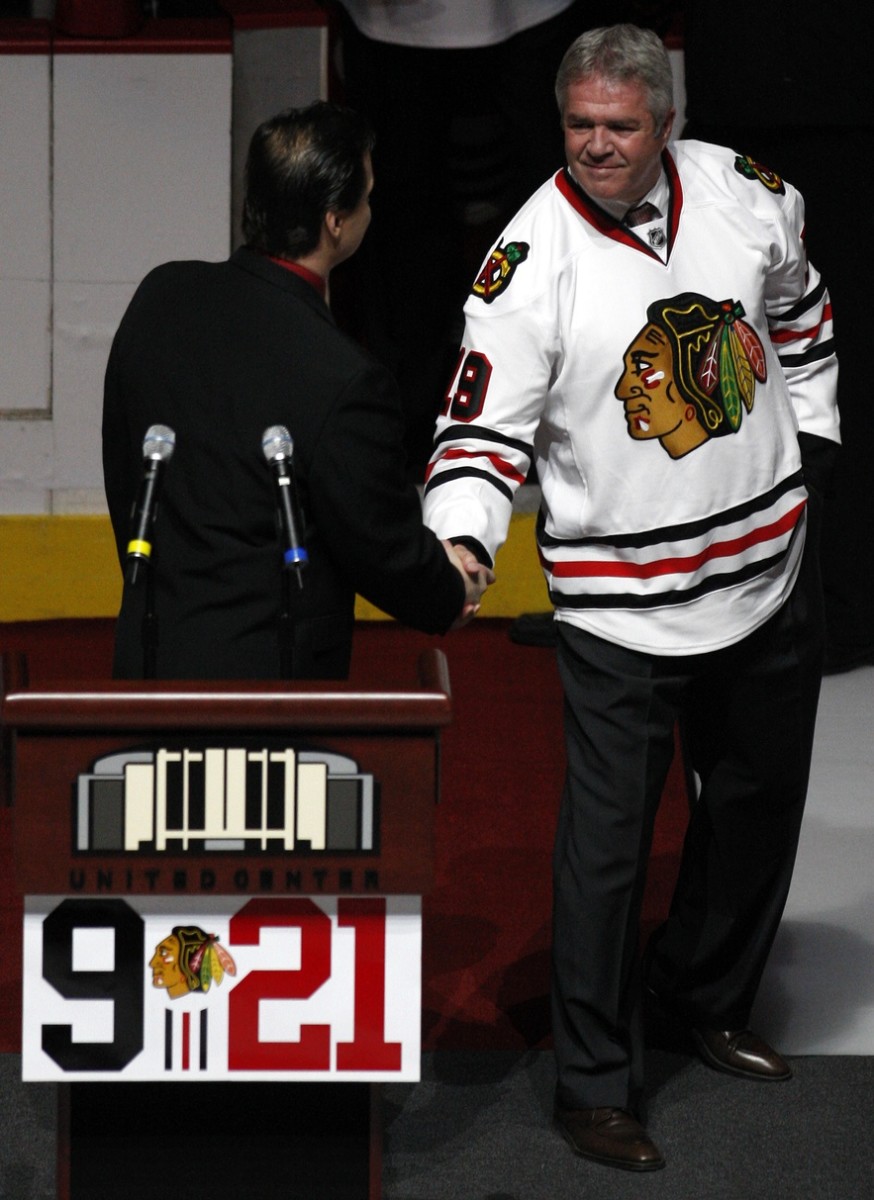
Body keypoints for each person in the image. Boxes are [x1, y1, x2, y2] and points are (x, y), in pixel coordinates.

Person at [422, 23, 839, 1172]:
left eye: (620, 126)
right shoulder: (526, 259)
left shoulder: (749, 193)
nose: (596, 147)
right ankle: (594, 1083)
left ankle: (700, 997)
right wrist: (460, 542)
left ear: (669, 125)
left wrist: (811, 436)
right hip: (617, 610)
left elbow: (799, 313)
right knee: (604, 854)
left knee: (754, 809)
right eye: (578, 125)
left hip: (767, 574)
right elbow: (475, 430)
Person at [103, 101, 492, 681]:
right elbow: (377, 542)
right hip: (270, 690)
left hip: (148, 657)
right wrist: (448, 585)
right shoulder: (345, 377)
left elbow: (126, 468)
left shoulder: (161, 296)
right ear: (336, 220)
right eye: (366, 196)